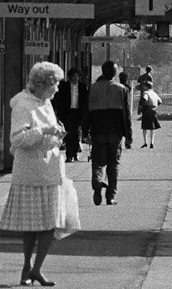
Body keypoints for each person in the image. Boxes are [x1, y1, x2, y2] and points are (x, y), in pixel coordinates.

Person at [0, 61, 69, 287]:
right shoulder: (23, 106)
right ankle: (28, 267)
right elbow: (17, 139)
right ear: (42, 84)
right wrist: (45, 131)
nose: (57, 89)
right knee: (34, 225)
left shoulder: (45, 102)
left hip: (49, 170)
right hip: (30, 171)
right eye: (55, 84)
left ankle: (34, 268)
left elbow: (44, 134)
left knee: (51, 223)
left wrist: (57, 135)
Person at [87, 60, 132, 206]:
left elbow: (86, 112)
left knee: (97, 162)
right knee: (114, 165)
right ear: (114, 73)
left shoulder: (92, 88)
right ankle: (110, 196)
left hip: (98, 131)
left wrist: (84, 131)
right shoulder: (122, 89)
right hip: (115, 132)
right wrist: (128, 136)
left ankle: (98, 182)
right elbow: (126, 115)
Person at [53, 67, 88, 162]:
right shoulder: (64, 86)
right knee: (69, 133)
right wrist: (58, 112)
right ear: (70, 77)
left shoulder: (82, 87)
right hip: (67, 112)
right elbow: (58, 99)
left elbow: (85, 101)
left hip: (78, 112)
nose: (75, 78)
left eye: (77, 76)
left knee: (76, 132)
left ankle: (75, 153)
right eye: (73, 76)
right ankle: (69, 155)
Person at [138, 80, 162, 148]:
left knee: (145, 127)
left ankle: (145, 142)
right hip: (154, 111)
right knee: (152, 127)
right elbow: (160, 101)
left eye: (144, 86)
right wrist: (155, 106)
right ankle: (152, 142)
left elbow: (144, 99)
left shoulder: (146, 93)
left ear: (146, 86)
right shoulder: (154, 93)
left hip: (147, 111)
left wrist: (141, 107)